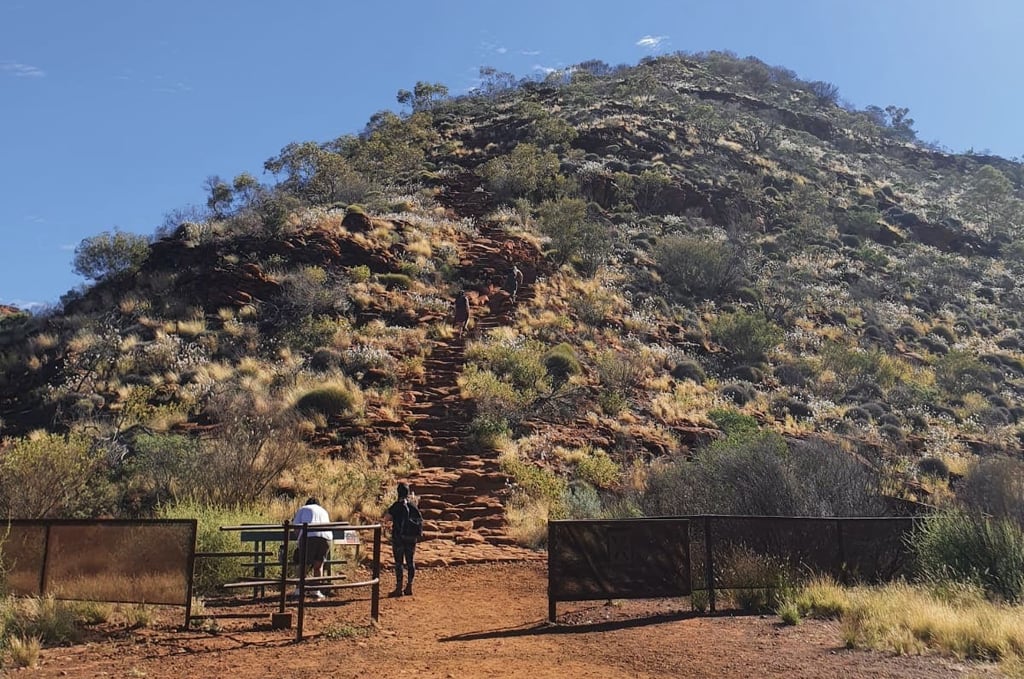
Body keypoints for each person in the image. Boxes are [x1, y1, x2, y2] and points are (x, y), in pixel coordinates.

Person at [290, 497, 332, 600]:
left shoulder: (303, 509)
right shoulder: (324, 511)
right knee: (318, 565)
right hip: (326, 538)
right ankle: (316, 591)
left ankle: (299, 590)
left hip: (309, 536)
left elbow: (296, 527)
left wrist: (299, 541)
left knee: (304, 564)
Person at [385, 482, 420, 597]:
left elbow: (387, 518)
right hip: (411, 538)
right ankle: (409, 586)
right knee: (410, 562)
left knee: (399, 562)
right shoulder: (413, 505)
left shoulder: (396, 505)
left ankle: (399, 588)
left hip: (399, 538)